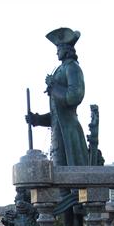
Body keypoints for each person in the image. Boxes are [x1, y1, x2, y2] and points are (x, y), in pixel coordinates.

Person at [26, 27, 89, 167]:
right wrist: (37, 119)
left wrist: (54, 86)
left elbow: (74, 96)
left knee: (74, 181)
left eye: (59, 48)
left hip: (70, 134)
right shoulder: (60, 69)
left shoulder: (73, 68)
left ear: (66, 49)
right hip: (58, 136)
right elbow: (57, 116)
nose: (57, 52)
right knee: (60, 182)